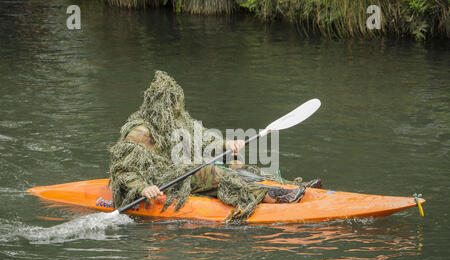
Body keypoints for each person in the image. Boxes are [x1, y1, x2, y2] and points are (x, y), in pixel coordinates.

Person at [109, 71, 321, 223]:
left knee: (235, 162)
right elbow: (123, 169)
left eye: (177, 104)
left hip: (182, 169)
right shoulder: (141, 131)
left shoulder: (180, 121)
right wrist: (142, 188)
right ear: (159, 106)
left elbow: (206, 142)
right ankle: (270, 196)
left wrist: (227, 145)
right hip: (161, 181)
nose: (177, 108)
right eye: (172, 104)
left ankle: (287, 185)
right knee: (210, 170)